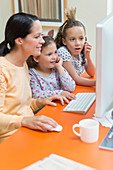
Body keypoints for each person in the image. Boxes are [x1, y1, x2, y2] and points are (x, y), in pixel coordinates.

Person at [0, 13, 69, 143]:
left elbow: (22, 106)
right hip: (10, 138)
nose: (42, 41)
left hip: (26, 129)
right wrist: (25, 121)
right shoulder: (2, 69)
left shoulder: (23, 65)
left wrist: (42, 101)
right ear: (19, 40)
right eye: (37, 37)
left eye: (41, 36)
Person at [55, 8, 96, 86]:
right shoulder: (63, 52)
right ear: (64, 41)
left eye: (81, 38)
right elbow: (75, 78)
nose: (78, 43)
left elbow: (92, 73)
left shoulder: (80, 51)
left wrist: (88, 57)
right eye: (72, 39)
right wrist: (97, 83)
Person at [27, 36, 76, 100]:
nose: (54, 57)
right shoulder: (32, 74)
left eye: (55, 52)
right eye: (49, 54)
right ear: (36, 58)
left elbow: (71, 87)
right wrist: (59, 93)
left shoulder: (57, 68)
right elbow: (36, 95)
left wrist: (60, 67)